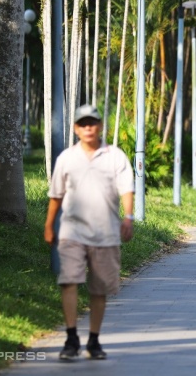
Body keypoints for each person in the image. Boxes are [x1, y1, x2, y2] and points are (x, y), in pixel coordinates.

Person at [44, 104, 135, 361]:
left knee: (99, 289)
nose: (88, 128)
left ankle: (94, 340)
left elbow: (126, 189)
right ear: (75, 128)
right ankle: (71, 337)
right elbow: (56, 196)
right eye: (82, 124)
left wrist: (128, 217)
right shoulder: (66, 158)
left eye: (92, 123)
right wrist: (49, 225)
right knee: (69, 281)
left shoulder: (115, 156)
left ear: (100, 126)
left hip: (106, 234)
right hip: (72, 231)